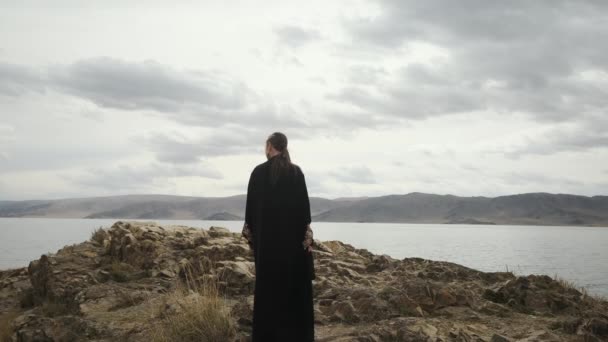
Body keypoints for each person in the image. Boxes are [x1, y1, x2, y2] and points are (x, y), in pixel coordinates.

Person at [241, 131, 315, 341]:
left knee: (268, 297)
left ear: (269, 147)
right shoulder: (296, 173)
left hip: (267, 252)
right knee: (293, 295)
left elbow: (250, 218)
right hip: (292, 252)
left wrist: (256, 243)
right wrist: (307, 243)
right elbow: (305, 214)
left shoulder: (257, 173)